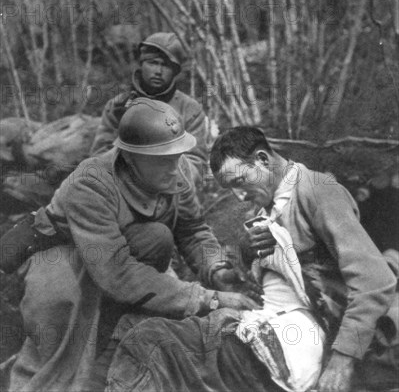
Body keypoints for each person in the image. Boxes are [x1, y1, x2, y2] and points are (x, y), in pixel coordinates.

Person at [104, 126, 396, 392]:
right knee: (134, 327)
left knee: (151, 341)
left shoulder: (318, 192)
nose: (239, 196)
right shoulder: (266, 208)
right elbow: (275, 274)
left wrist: (343, 359)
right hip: (269, 320)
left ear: (262, 159)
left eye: (240, 181)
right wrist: (246, 251)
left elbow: (375, 279)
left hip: (305, 333)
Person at [8, 103, 261, 392]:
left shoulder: (174, 172)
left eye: (176, 155)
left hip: (115, 253)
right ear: (130, 157)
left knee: (157, 237)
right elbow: (117, 272)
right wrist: (210, 299)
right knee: (60, 312)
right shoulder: (91, 182)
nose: (175, 166)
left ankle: (115, 320)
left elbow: (192, 230)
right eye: (162, 158)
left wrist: (217, 269)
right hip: (59, 253)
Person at [90, 32, 207, 185]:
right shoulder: (118, 106)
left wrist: (161, 171)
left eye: (166, 65)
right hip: (123, 187)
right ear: (141, 64)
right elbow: (99, 155)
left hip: (171, 191)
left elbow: (196, 164)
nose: (158, 71)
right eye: (152, 62)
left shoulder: (190, 109)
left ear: (175, 71)